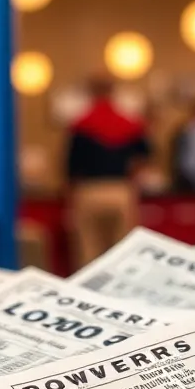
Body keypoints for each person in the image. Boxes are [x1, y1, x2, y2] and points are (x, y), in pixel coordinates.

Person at [65, 76, 151, 269]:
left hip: (89, 191)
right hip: (120, 189)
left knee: (89, 252)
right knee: (123, 251)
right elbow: (145, 156)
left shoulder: (82, 124)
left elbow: (71, 167)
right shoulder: (129, 123)